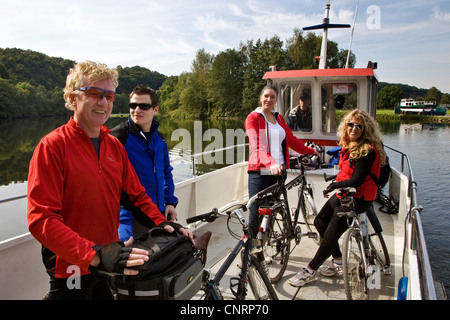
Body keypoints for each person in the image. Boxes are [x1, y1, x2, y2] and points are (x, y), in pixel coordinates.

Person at [27, 61, 193, 300]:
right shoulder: (53, 146)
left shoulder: (114, 145)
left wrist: (164, 225)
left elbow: (136, 196)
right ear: (72, 98)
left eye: (109, 96)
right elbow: (41, 218)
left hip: (110, 259)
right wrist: (94, 255)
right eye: (94, 94)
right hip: (72, 265)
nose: (103, 102)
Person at [288, 109, 387, 287]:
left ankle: (309, 271)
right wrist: (337, 184)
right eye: (351, 124)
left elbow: (357, 179)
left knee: (330, 235)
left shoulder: (366, 150)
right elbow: (347, 172)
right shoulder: (348, 146)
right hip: (346, 192)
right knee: (320, 222)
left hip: (360, 197)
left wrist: (334, 185)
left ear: (365, 129)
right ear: (346, 126)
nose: (354, 129)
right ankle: (339, 261)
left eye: (359, 126)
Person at [245, 84, 319, 237]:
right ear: (260, 98)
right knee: (255, 217)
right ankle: (248, 255)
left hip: (279, 172)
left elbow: (291, 140)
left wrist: (311, 151)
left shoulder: (278, 118)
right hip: (260, 173)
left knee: (271, 212)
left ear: (276, 99)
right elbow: (256, 144)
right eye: (266, 96)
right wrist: (271, 163)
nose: (268, 99)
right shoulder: (253, 118)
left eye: (272, 97)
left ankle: (266, 246)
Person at [110, 85, 179, 241]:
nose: (137, 110)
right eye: (133, 105)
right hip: (129, 219)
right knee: (137, 263)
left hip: (159, 214)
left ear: (155, 110)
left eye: (144, 106)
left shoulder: (159, 139)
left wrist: (170, 202)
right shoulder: (118, 138)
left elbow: (166, 172)